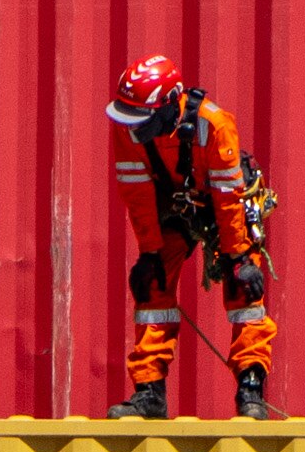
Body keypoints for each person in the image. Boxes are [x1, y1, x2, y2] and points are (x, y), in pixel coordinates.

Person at [103, 53, 277, 420]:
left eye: (142, 118)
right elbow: (137, 193)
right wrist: (150, 253)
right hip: (175, 208)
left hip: (221, 209)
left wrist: (238, 257)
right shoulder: (128, 125)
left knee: (244, 288)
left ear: (170, 104)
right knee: (152, 285)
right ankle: (150, 392)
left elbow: (228, 197)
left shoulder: (214, 125)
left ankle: (251, 389)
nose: (133, 126)